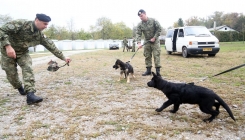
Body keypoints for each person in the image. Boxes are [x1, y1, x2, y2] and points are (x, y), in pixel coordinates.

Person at [0, 13, 71, 105]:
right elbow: (2, 30)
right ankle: (18, 87)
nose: (46, 26)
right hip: (7, 52)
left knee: (27, 68)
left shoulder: (39, 36)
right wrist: (8, 46)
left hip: (22, 53)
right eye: (44, 24)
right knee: (11, 73)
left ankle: (30, 94)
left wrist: (64, 58)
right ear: (37, 20)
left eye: (47, 24)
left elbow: (52, 46)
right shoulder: (21, 24)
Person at [136, 9, 162, 76]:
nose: (141, 17)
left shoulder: (153, 20)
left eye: (142, 16)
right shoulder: (140, 24)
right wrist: (139, 43)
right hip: (147, 41)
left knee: (156, 55)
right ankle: (148, 70)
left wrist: (154, 37)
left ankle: (158, 71)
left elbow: (159, 29)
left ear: (145, 14)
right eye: (140, 17)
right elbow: (138, 33)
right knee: (147, 55)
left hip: (155, 41)